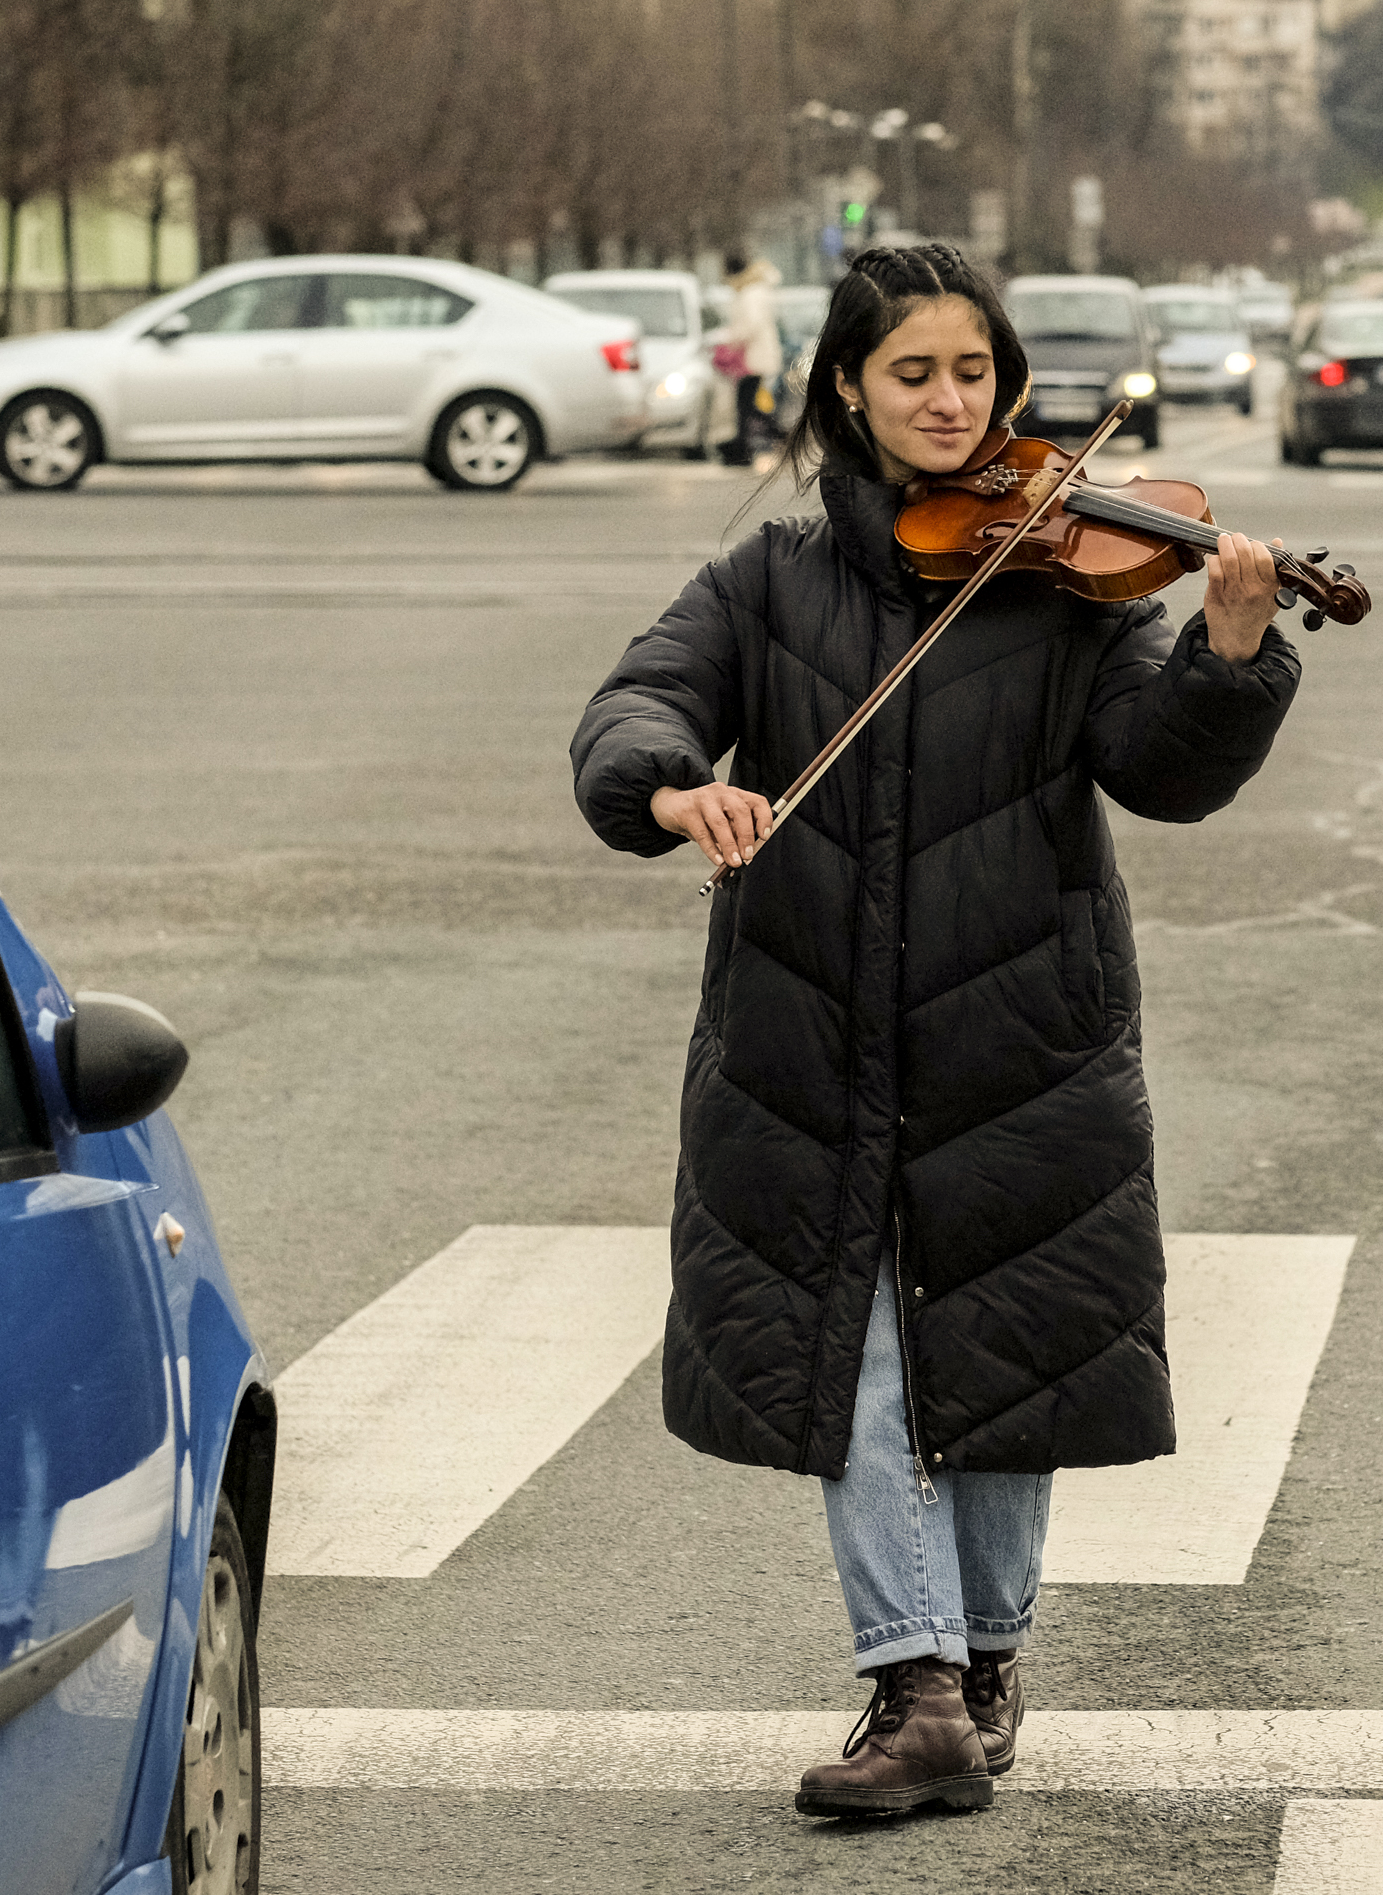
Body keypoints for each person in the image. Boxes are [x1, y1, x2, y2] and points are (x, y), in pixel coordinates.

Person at [570, 242, 1305, 1819]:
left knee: (1004, 1349)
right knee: (866, 1357)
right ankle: (911, 1684)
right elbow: (634, 705)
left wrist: (1231, 653)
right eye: (912, 373)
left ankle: (977, 1667)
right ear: (846, 386)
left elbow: (1159, 767)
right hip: (808, 1034)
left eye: (972, 372)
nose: (949, 402)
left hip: (1016, 1028)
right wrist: (670, 785)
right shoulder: (763, 579)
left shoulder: (1067, 581)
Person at [716, 250, 784, 465]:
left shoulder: (749, 292)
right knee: (748, 402)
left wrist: (733, 339)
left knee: (746, 403)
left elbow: (750, 324)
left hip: (752, 357)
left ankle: (774, 436)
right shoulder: (754, 289)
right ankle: (753, 441)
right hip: (756, 356)